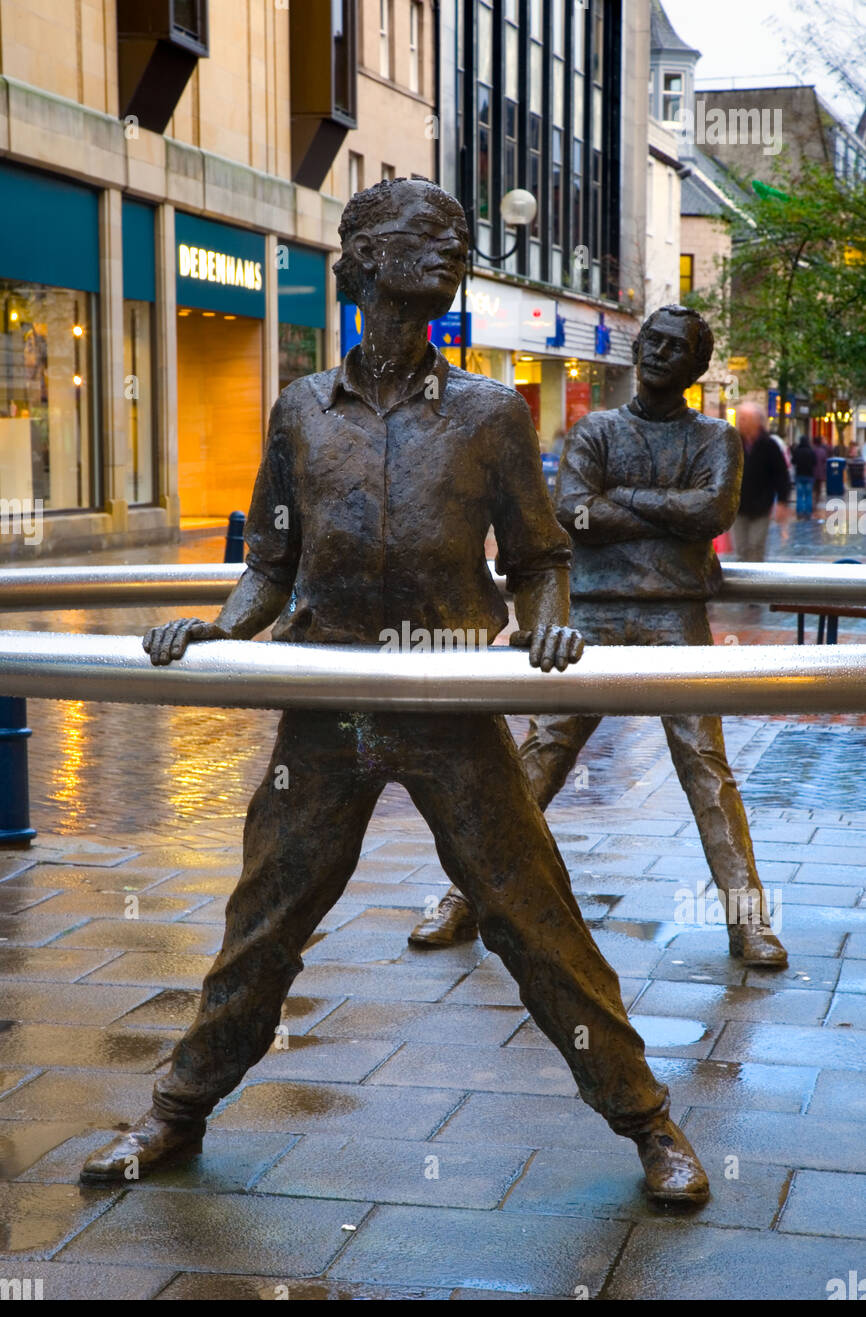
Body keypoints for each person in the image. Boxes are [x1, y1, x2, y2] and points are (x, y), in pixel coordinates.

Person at [79, 180, 709, 1205]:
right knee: (265, 920)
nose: (452, 247)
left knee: (531, 916)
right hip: (327, 711)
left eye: (457, 238)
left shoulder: (490, 414)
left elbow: (540, 554)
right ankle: (174, 1112)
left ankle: (647, 1121)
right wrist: (219, 625)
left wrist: (551, 614)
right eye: (427, 234)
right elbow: (269, 567)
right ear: (363, 257)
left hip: (447, 710)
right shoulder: (297, 412)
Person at [410, 305, 787, 972]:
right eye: (654, 342)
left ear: (697, 367)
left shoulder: (716, 438)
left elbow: (714, 512)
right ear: (639, 349)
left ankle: (749, 922)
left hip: (676, 614)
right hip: (590, 613)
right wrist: (669, 518)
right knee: (542, 755)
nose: (661, 355)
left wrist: (626, 502)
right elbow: (574, 513)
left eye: (677, 348)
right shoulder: (595, 431)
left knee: (706, 765)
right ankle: (461, 897)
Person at [731, 403, 790, 560]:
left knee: (756, 546)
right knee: (741, 548)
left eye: (744, 419)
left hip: (761, 506)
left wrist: (782, 502)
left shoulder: (769, 445)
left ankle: (755, 583)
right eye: (739, 418)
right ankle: (742, 583)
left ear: (756, 421)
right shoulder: (734, 443)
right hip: (738, 506)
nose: (740, 422)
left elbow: (781, 474)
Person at [791, 434, 817, 517]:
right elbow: (814, 462)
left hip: (799, 475)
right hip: (809, 475)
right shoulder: (811, 451)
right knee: (808, 495)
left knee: (799, 495)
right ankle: (808, 512)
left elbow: (793, 461)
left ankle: (799, 512)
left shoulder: (797, 451)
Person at [813, 436, 828, 503]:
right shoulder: (822, 451)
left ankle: (814, 497)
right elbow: (825, 461)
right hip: (820, 472)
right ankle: (817, 498)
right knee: (819, 486)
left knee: (814, 486)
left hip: (813, 471)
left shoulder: (813, 450)